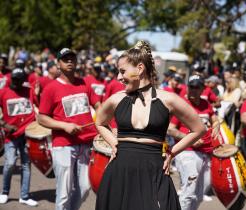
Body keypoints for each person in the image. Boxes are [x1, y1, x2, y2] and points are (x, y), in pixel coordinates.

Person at [95, 41, 205, 210]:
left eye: (122, 71)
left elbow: (199, 129)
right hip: (120, 170)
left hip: (154, 170)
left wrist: (172, 152)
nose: (118, 77)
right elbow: (100, 122)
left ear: (139, 69)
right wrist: (114, 143)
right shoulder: (116, 98)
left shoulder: (169, 99)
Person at [37, 48, 100, 210]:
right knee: (64, 193)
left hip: (86, 143)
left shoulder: (84, 83)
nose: (70, 61)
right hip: (63, 144)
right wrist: (64, 126)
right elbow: (41, 118)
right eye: (65, 59)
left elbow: (99, 107)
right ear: (58, 64)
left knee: (85, 188)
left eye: (72, 58)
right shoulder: (51, 88)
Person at [168, 75, 220, 210]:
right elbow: (171, 130)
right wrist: (190, 139)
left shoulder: (206, 104)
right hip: (187, 152)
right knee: (189, 192)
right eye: (191, 86)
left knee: (200, 194)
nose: (194, 90)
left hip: (206, 153)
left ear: (202, 89)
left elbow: (214, 118)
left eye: (197, 87)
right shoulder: (181, 105)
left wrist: (217, 124)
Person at [0, 68, 38, 206]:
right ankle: (5, 192)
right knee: (10, 163)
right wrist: (5, 124)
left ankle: (24, 196)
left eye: (20, 79)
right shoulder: (3, 92)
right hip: (11, 135)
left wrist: (38, 95)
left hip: (27, 135)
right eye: (15, 79)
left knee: (26, 165)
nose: (17, 82)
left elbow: (39, 107)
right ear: (11, 78)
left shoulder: (29, 91)